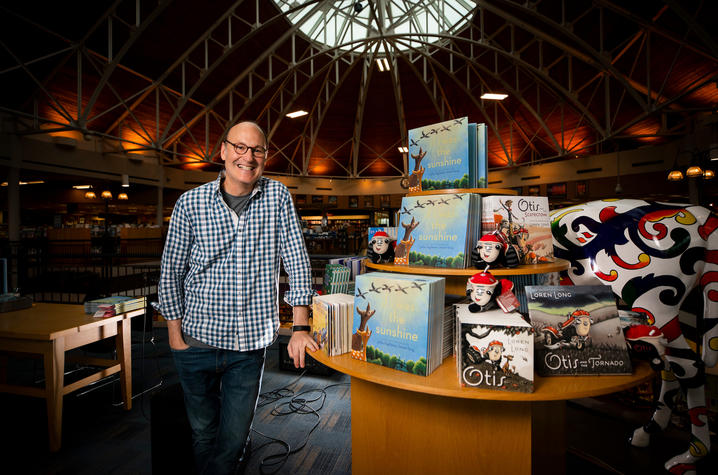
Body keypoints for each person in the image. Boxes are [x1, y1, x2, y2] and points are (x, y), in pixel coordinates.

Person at [159, 120, 318, 474]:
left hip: (248, 347)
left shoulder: (277, 197)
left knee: (232, 439)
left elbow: (296, 258)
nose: (248, 156)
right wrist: (174, 335)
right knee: (202, 434)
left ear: (265, 156)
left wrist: (301, 326)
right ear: (224, 151)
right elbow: (170, 270)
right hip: (196, 342)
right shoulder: (191, 203)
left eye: (257, 150)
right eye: (240, 147)